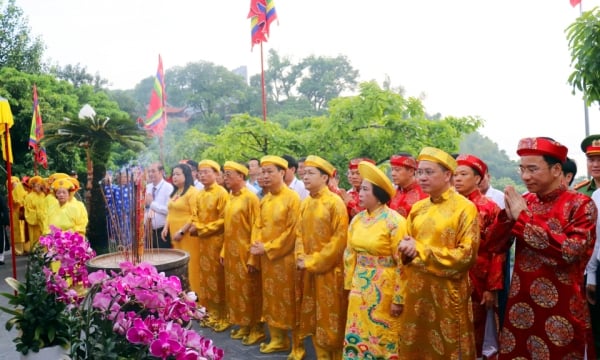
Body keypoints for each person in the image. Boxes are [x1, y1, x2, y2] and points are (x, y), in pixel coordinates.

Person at [488, 137, 596, 359]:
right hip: (521, 303)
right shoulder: (524, 201)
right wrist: (506, 219)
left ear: (556, 169)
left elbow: (568, 252)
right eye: (522, 169)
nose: (525, 176)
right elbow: (493, 245)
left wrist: (523, 218)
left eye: (532, 169)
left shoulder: (581, 204)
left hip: (562, 306)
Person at [397, 146, 480, 359]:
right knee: (414, 344)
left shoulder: (465, 208)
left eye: (429, 172)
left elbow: (467, 255)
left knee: (448, 347)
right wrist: (406, 250)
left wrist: (421, 250)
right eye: (420, 172)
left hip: (446, 292)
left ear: (447, 175)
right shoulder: (418, 208)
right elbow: (408, 245)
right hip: (416, 291)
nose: (422, 177)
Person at [342, 160, 405, 359]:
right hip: (359, 287)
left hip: (384, 289)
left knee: (382, 335)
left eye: (365, 190)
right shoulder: (358, 219)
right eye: (359, 189)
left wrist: (399, 298)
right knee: (357, 332)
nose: (359, 194)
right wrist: (349, 285)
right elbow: (350, 253)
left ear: (378, 194)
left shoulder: (394, 221)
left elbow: (403, 263)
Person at [249, 155, 303, 359]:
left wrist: (268, 247)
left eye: (270, 171)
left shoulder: (292, 198)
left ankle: (297, 345)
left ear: (282, 172)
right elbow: (258, 225)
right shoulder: (266, 199)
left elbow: (292, 232)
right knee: (270, 300)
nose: (265, 175)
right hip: (267, 260)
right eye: (263, 172)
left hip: (286, 260)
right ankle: (278, 340)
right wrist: (256, 246)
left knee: (290, 302)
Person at [296, 155, 348, 359]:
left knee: (330, 319)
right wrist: (301, 256)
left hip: (329, 272)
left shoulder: (335, 203)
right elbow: (298, 232)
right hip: (308, 270)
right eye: (304, 173)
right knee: (314, 318)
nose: (305, 177)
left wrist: (313, 261)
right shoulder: (306, 203)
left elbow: (339, 240)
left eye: (311, 173)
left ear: (325, 178)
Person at [454, 154, 503, 358]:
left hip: (479, 279)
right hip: (450, 277)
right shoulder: (446, 206)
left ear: (478, 178)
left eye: (463, 174)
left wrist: (492, 288)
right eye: (455, 175)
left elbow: (497, 250)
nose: (457, 179)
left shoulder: (490, 208)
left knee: (476, 330)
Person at [221, 161, 265, 345]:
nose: (225, 178)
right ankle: (243, 325)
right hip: (231, 253)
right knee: (236, 290)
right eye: (224, 174)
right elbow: (227, 228)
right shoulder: (231, 197)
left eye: (229, 174)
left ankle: (256, 328)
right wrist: (224, 251)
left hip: (245, 252)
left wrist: (253, 257)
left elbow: (257, 227)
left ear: (241, 176)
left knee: (250, 290)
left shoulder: (251, 198)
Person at [190, 159, 230, 332]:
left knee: (218, 279)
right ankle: (212, 312)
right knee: (206, 279)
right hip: (203, 244)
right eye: (201, 172)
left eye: (207, 172)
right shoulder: (200, 194)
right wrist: (199, 227)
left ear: (216, 174)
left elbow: (224, 219)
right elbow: (194, 215)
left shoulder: (221, 193)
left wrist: (203, 229)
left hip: (216, 242)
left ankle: (224, 315)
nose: (203, 175)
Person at [161, 164, 200, 294]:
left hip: (187, 235)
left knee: (190, 263)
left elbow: (194, 215)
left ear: (186, 175)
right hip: (174, 234)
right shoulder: (176, 192)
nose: (174, 177)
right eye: (173, 174)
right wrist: (166, 227)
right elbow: (170, 212)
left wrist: (182, 231)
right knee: (178, 262)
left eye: (178, 174)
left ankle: (194, 294)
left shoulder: (192, 192)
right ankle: (181, 293)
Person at [388, 153, 427, 217]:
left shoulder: (424, 193)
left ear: (411, 171)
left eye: (397, 170)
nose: (393, 173)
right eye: (392, 169)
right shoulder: (392, 192)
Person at [145, 162, 174, 248]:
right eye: (149, 171)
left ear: (161, 172)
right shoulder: (148, 187)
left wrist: (152, 204)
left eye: (153, 171)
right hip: (148, 231)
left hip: (162, 231)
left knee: (163, 259)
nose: (150, 174)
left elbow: (169, 210)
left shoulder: (169, 187)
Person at [23, 176, 47, 252]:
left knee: (45, 237)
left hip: (44, 221)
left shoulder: (44, 195)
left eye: (38, 185)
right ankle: (36, 254)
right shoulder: (29, 197)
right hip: (35, 222)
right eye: (35, 185)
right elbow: (28, 210)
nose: (37, 187)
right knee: (35, 239)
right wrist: (38, 214)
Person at [9, 176, 27, 255]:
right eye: (12, 184)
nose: (14, 185)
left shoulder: (23, 192)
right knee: (17, 232)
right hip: (14, 214)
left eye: (15, 183)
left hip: (22, 213)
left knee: (24, 230)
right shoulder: (10, 194)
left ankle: (26, 248)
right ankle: (18, 250)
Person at [0, 193, 9, 265]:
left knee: (1, 239)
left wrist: (6, 222)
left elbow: (5, 209)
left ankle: (1, 257)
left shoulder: (1, 197)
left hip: (0, 222)